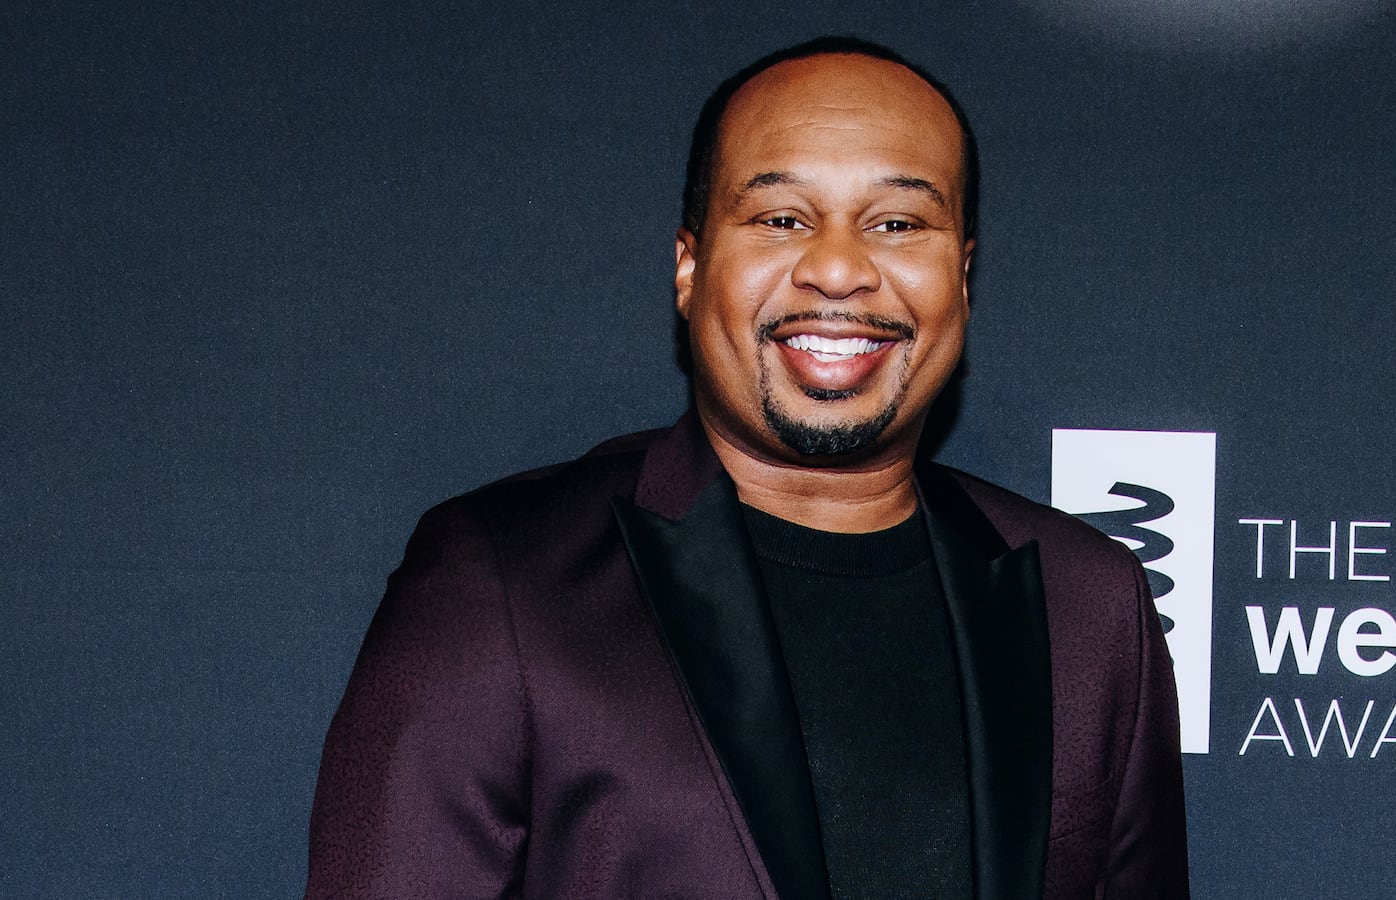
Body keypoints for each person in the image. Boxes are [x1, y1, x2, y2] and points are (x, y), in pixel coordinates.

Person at [306, 37, 1188, 900]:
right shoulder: (503, 577)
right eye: (781, 218)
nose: (839, 269)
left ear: (960, 275)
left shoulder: (1090, 604)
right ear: (690, 266)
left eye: (897, 223)